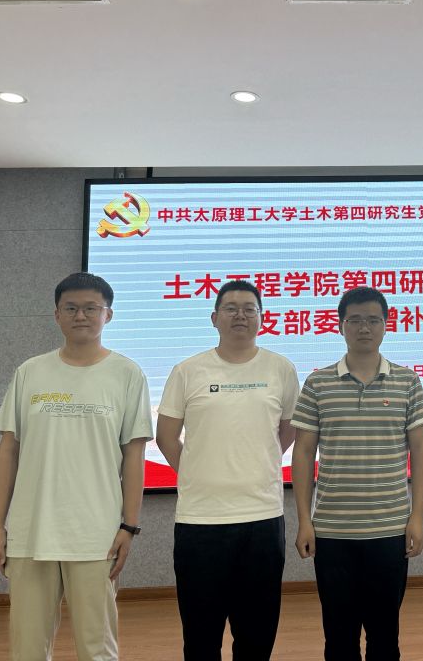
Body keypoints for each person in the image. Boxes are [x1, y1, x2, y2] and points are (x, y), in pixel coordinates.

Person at [0, 272, 152, 661]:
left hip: (96, 534)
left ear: (108, 315)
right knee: (27, 648)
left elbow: (134, 456)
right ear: (57, 314)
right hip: (30, 530)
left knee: (97, 648)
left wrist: (129, 525)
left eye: (91, 308)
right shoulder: (30, 372)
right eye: (71, 308)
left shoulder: (127, 374)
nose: (81, 316)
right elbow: (8, 450)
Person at [156, 279, 299, 660]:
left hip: (262, 517)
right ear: (214, 318)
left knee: (257, 635)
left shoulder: (281, 369)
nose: (241, 315)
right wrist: (197, 471)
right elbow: (166, 436)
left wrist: (260, 459)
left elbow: (288, 431)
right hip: (201, 520)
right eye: (231, 308)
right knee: (201, 636)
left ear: (262, 318)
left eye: (250, 308)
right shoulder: (188, 370)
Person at [291, 286, 423, 661]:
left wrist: (417, 517)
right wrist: (304, 520)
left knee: (385, 637)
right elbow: (303, 453)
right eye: (355, 320)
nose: (364, 327)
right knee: (339, 638)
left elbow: (421, 450)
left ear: (386, 325)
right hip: (332, 533)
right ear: (340, 326)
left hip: (389, 530)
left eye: (373, 320)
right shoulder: (318, 383)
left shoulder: (407, 381)